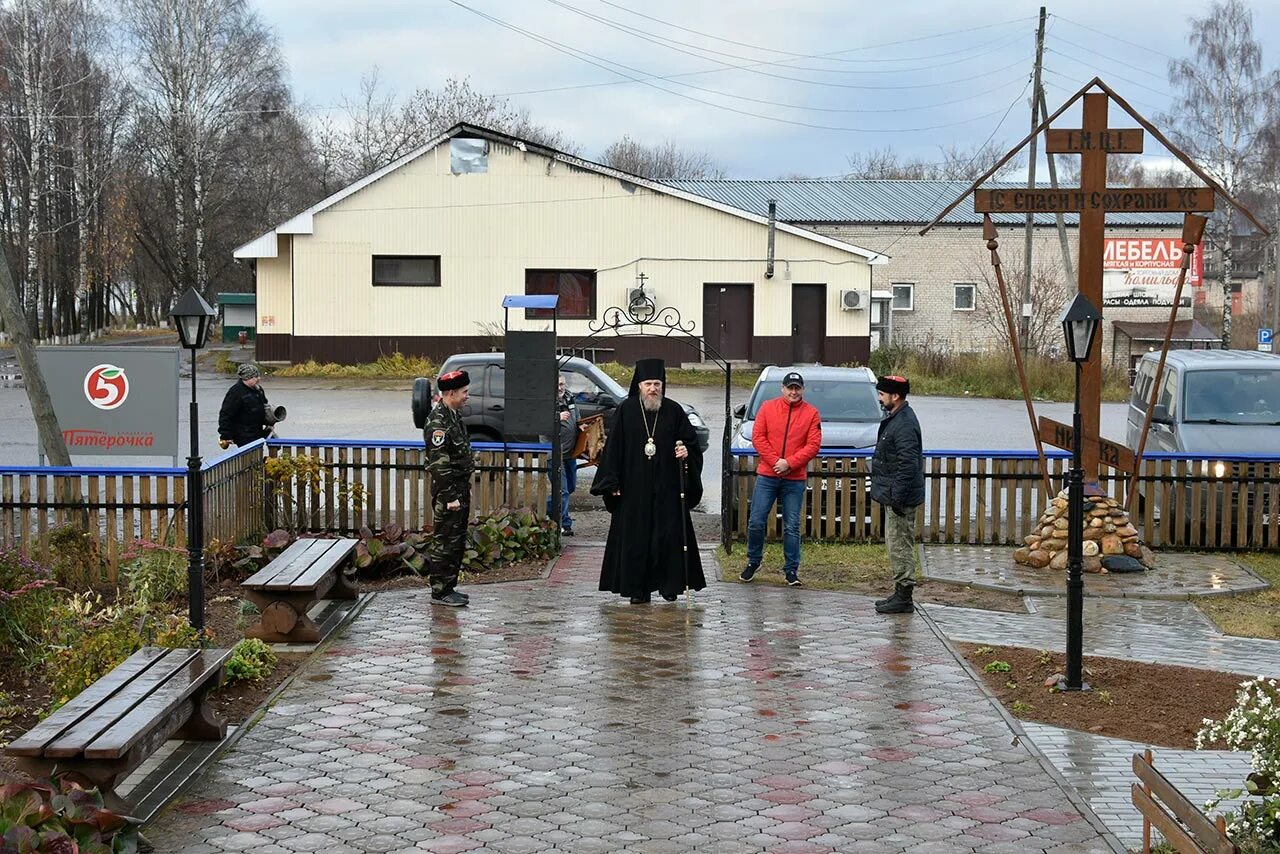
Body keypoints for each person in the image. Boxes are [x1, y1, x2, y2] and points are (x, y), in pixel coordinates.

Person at [590, 358, 706, 604]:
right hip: (634, 487)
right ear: (639, 385)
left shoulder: (674, 410)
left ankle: (669, 586)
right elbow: (614, 449)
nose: (653, 388)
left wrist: (685, 451)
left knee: (668, 537)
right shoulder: (626, 410)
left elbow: (691, 444)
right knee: (636, 539)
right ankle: (638, 590)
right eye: (647, 384)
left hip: (668, 487)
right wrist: (612, 483)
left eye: (657, 383)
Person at [740, 371, 822, 587]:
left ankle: (791, 570)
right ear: (782, 389)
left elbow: (813, 445)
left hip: (794, 478)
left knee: (792, 525)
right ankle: (753, 561)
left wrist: (790, 463)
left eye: (797, 388)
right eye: (790, 388)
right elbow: (758, 437)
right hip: (768, 474)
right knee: (756, 521)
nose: (793, 392)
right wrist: (776, 461)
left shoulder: (811, 413)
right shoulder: (767, 407)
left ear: (802, 389)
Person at [870, 375, 925, 615]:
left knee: (900, 544)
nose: (880, 398)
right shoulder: (897, 418)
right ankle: (900, 592)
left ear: (895, 396)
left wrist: (897, 497)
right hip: (895, 494)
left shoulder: (903, 423)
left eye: (882, 394)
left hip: (900, 498)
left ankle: (904, 597)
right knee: (895, 543)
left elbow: (908, 464)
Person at [423, 369, 475, 607]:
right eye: (464, 392)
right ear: (451, 392)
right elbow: (439, 464)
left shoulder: (454, 417)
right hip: (449, 493)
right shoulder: (438, 423)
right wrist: (451, 496)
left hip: (460, 489)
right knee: (445, 541)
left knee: (456, 540)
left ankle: (449, 587)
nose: (467, 396)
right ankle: (440, 590)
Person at [545, 374, 581, 536]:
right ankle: (563, 523)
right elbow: (539, 423)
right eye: (558, 385)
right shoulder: (546, 401)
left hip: (570, 453)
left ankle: (545, 508)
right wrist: (556, 418)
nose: (561, 388)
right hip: (554, 454)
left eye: (563, 384)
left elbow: (577, 417)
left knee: (570, 487)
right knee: (563, 491)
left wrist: (581, 426)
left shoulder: (569, 398)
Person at [218, 363, 271, 449]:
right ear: (247, 378)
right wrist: (225, 435)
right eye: (255, 377)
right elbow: (226, 414)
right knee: (249, 458)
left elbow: (265, 405)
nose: (258, 379)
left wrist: (270, 419)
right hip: (243, 435)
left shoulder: (259, 390)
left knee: (257, 456)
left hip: (258, 432)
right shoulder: (235, 392)